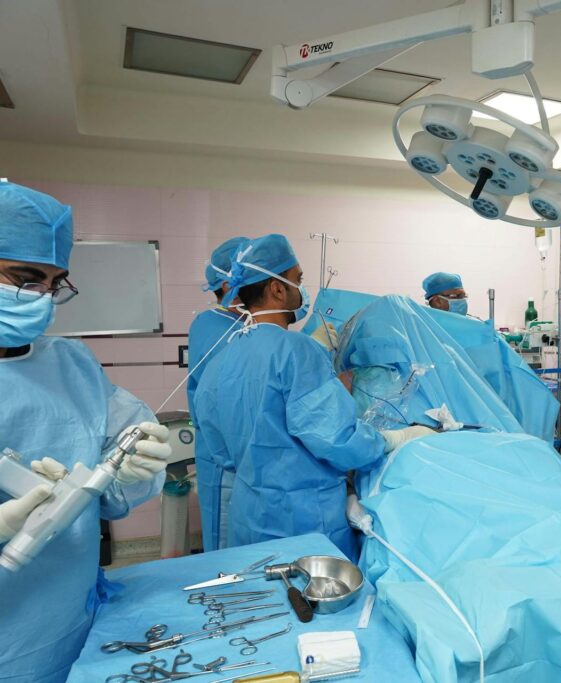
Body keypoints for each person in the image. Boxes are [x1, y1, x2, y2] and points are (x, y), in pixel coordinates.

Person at [0, 181, 172, 683]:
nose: (42, 298)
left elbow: (115, 472)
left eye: (54, 284)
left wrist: (133, 468)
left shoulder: (70, 363)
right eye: (25, 278)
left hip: (72, 620)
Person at [193, 234, 431, 559]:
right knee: (309, 590)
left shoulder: (223, 357)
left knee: (260, 586)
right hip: (301, 520)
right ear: (277, 289)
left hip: (249, 515)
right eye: (298, 279)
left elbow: (219, 446)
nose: (300, 290)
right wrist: (393, 439)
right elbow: (337, 439)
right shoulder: (296, 351)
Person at [187, 236, 251, 551]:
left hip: (243, 459)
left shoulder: (243, 325)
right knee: (226, 549)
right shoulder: (216, 328)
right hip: (225, 461)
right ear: (228, 286)